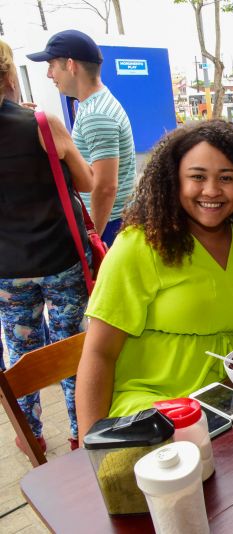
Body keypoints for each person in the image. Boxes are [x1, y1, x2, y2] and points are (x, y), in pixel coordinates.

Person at [75, 120, 233, 440]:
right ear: (173, 180)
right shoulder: (140, 245)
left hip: (228, 405)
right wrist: (91, 446)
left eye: (227, 178)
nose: (212, 190)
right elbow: (98, 354)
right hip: (152, 412)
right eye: (197, 177)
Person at [0, 38, 93, 452]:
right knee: (69, 347)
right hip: (61, 260)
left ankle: (32, 435)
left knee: (21, 355)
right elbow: (87, 182)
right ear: (7, 76)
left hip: (8, 270)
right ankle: (79, 431)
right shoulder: (41, 124)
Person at [27, 29, 136, 245]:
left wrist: (92, 237)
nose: (49, 74)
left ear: (70, 65)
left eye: (51, 66)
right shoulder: (95, 104)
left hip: (108, 225)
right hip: (113, 221)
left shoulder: (96, 114)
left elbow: (105, 187)